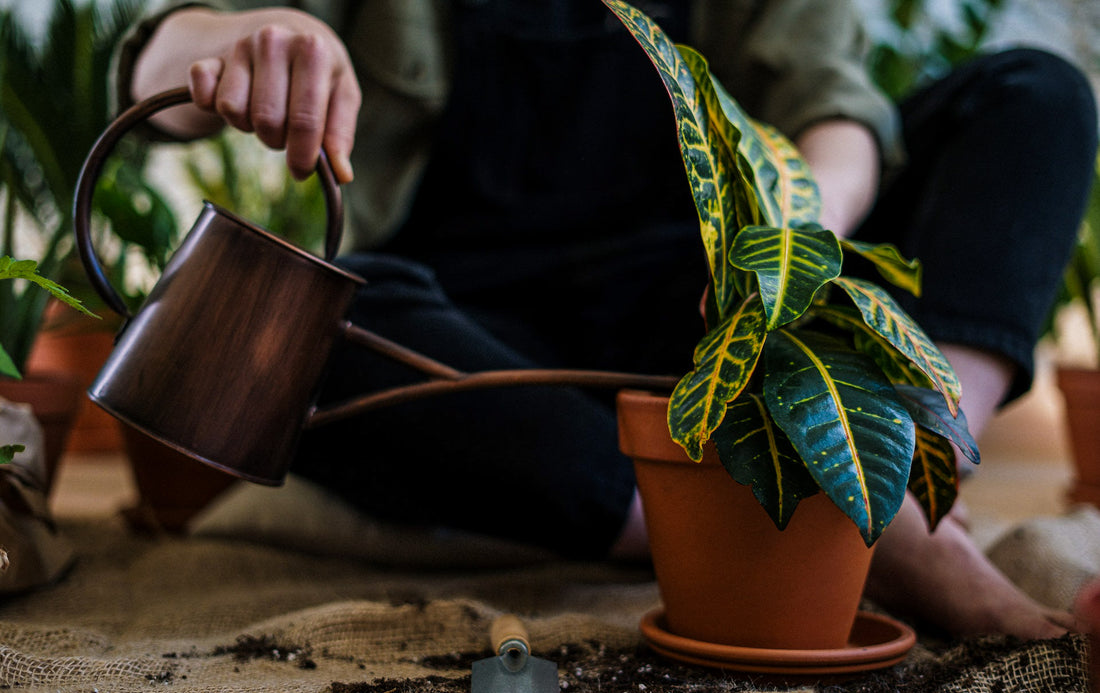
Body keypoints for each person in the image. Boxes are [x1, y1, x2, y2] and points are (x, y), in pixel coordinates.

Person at [120, 0, 1098, 639]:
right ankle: (769, 518)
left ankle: (922, 472)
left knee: (1033, 96)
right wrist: (244, 43)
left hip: (714, 316)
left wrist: (789, 242)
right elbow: (155, 72)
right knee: (315, 333)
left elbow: (833, 110)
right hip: (480, 328)